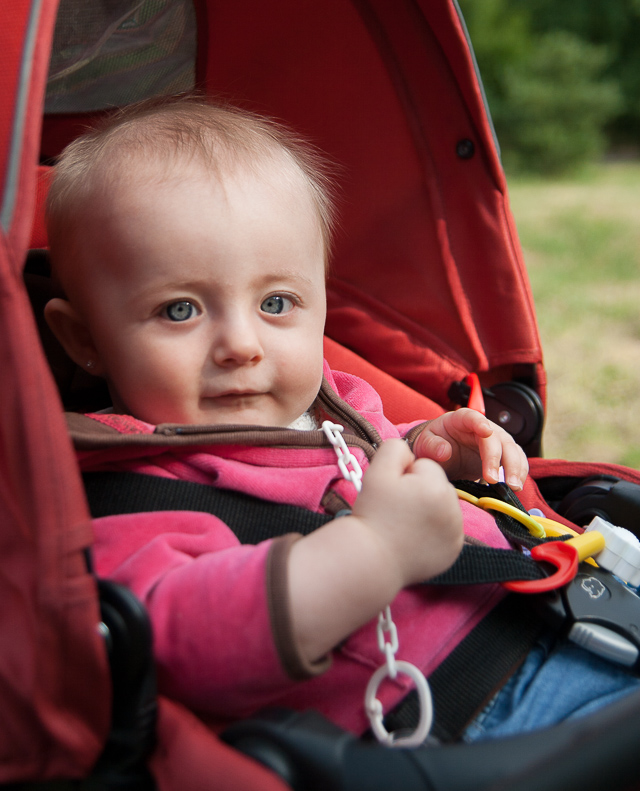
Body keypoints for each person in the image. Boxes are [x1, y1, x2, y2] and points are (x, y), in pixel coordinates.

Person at [44, 97, 640, 742]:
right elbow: (187, 645)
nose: (242, 345)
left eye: (276, 301)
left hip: (561, 612)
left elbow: (367, 454)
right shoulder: (128, 491)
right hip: (472, 704)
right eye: (180, 311)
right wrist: (375, 552)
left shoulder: (328, 398)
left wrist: (430, 446)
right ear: (85, 340)